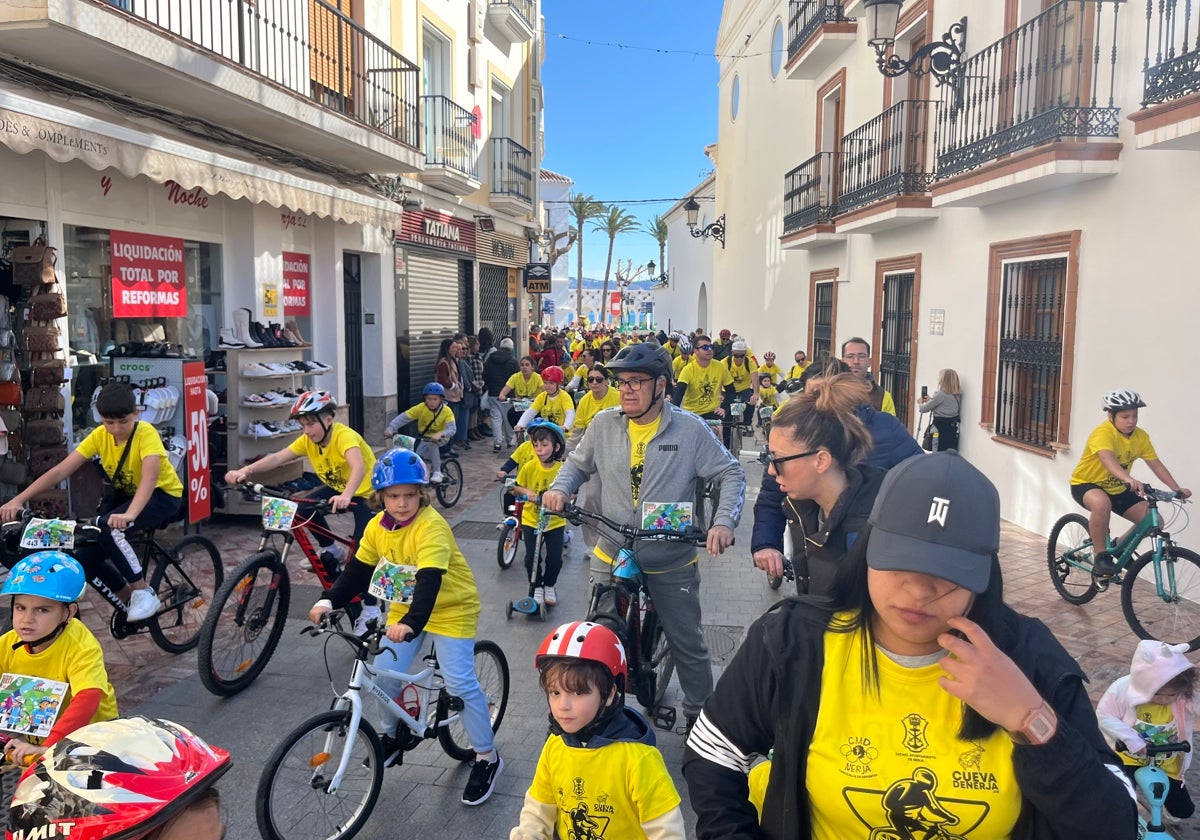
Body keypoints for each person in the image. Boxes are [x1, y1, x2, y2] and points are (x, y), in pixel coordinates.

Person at [684, 451, 1139, 838]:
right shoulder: (793, 643)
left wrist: (1031, 721)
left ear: (983, 577)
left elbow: (1115, 824)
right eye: (900, 562)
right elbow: (711, 754)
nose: (919, 591)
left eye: (948, 572)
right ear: (868, 549)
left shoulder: (1029, 659)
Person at [542, 342, 745, 730]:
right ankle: (594, 714)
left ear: (662, 386)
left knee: (688, 642)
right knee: (596, 634)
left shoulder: (688, 429)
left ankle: (702, 722)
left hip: (670, 553)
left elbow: (730, 472)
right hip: (612, 547)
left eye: (638, 381)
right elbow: (576, 465)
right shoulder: (604, 424)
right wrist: (560, 488)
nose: (628, 389)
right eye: (622, 382)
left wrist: (723, 522)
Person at [309, 447, 503, 805]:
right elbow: (358, 570)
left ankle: (487, 757)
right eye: (394, 496)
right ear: (380, 497)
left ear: (422, 495)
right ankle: (392, 736)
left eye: (410, 495)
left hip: (450, 609)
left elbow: (429, 580)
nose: (402, 503)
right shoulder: (376, 527)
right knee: (382, 673)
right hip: (403, 609)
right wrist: (328, 600)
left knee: (459, 683)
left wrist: (412, 624)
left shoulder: (432, 527)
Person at [0, 381, 183, 621]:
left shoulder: (146, 433)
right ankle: (128, 601)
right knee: (85, 555)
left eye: (123, 421)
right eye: (109, 422)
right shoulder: (99, 436)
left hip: (162, 496)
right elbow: (59, 472)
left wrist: (129, 516)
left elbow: (149, 481)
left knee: (109, 530)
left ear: (136, 414)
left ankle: (143, 592)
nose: (116, 429)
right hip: (127, 497)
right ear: (101, 418)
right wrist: (19, 499)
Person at [510, 621, 686, 839]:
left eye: (577, 692)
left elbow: (667, 830)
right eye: (555, 692)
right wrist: (528, 833)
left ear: (610, 694)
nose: (563, 705)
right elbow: (538, 809)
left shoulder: (639, 760)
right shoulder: (555, 747)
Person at [226, 390, 381, 631]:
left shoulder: (344, 436)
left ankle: (372, 609)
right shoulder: (308, 441)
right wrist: (245, 472)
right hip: (338, 490)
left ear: (329, 419)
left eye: (310, 424)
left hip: (367, 494)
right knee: (299, 509)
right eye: (303, 425)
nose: (307, 430)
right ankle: (331, 549)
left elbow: (358, 467)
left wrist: (347, 495)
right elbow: (278, 458)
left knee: (364, 552)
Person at [751, 372, 887, 595]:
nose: (771, 470)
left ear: (821, 461)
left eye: (778, 460)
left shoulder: (870, 532)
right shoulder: (804, 508)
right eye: (769, 457)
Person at [0, 552, 118, 764]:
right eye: (20, 608)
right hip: (41, 740)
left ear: (68, 612)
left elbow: (88, 696)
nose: (27, 619)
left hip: (91, 740)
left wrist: (48, 745)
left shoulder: (81, 645)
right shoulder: (8, 642)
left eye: (42, 610)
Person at [1069, 389, 1191, 578]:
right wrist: (1128, 479)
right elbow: (1107, 459)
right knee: (1102, 504)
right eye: (1125, 416)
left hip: (1117, 488)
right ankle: (1100, 556)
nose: (1131, 421)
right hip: (1086, 484)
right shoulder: (1103, 433)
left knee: (1155, 521)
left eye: (1134, 416)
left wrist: (1175, 488)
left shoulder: (1140, 436)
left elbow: (1155, 464)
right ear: (1111, 416)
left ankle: (1117, 548)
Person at [1097, 639, 1196, 822]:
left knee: (1183, 811)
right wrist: (1131, 740)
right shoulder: (1123, 689)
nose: (1164, 699)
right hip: (1128, 756)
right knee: (1119, 800)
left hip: (1167, 760)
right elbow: (1104, 715)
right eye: (1157, 694)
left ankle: (1167, 806)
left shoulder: (1184, 697)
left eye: (1171, 695)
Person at [510, 420, 568, 606]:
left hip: (555, 521)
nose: (539, 449)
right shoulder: (529, 467)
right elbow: (515, 488)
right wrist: (528, 493)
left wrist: (561, 497)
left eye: (544, 445)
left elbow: (572, 491)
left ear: (556, 447)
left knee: (554, 559)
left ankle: (549, 585)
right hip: (531, 519)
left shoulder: (562, 470)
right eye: (536, 445)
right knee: (531, 558)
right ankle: (536, 586)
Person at [672, 334, 736, 448]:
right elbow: (678, 394)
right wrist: (673, 414)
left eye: (711, 346)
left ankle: (723, 457)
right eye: (705, 347)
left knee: (719, 432)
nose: (710, 349)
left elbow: (731, 391)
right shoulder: (688, 370)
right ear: (695, 351)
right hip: (693, 412)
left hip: (713, 412)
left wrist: (724, 408)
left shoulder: (720, 367)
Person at [384, 382, 455, 483]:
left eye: (435, 399)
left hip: (442, 438)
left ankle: (437, 472)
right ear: (425, 399)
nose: (432, 402)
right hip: (424, 437)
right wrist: (391, 428)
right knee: (415, 456)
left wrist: (441, 434)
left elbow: (452, 429)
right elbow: (404, 417)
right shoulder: (421, 408)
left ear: (441, 400)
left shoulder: (447, 411)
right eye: (429, 399)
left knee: (432, 444)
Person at [842, 336, 896, 415]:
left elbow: (890, 426)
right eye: (850, 356)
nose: (856, 361)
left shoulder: (883, 397)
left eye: (861, 356)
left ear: (869, 362)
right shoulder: (829, 391)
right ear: (842, 361)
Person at [515, 365, 575, 436]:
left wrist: (565, 427)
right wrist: (520, 424)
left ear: (559, 384)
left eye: (551, 383)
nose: (547, 386)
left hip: (564, 435)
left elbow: (570, 413)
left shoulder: (565, 397)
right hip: (547, 434)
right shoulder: (542, 396)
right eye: (545, 383)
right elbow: (531, 411)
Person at [484, 336, 520, 453]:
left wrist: (490, 386)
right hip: (508, 395)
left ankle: (497, 443)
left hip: (493, 393)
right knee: (508, 418)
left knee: (496, 418)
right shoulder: (513, 361)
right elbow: (517, 379)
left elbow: (485, 375)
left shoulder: (490, 359)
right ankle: (510, 442)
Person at [917, 368, 962, 452]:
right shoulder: (957, 396)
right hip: (952, 431)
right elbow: (946, 406)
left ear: (943, 380)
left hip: (939, 430)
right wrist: (932, 400)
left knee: (937, 455)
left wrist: (920, 403)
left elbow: (923, 409)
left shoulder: (940, 394)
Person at [497, 356, 544, 436]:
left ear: (532, 367)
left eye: (527, 365)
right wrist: (502, 395)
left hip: (535, 405)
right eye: (522, 365)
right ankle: (517, 434)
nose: (524, 367)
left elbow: (545, 390)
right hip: (520, 405)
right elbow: (505, 390)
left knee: (541, 417)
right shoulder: (515, 377)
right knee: (511, 413)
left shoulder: (538, 378)